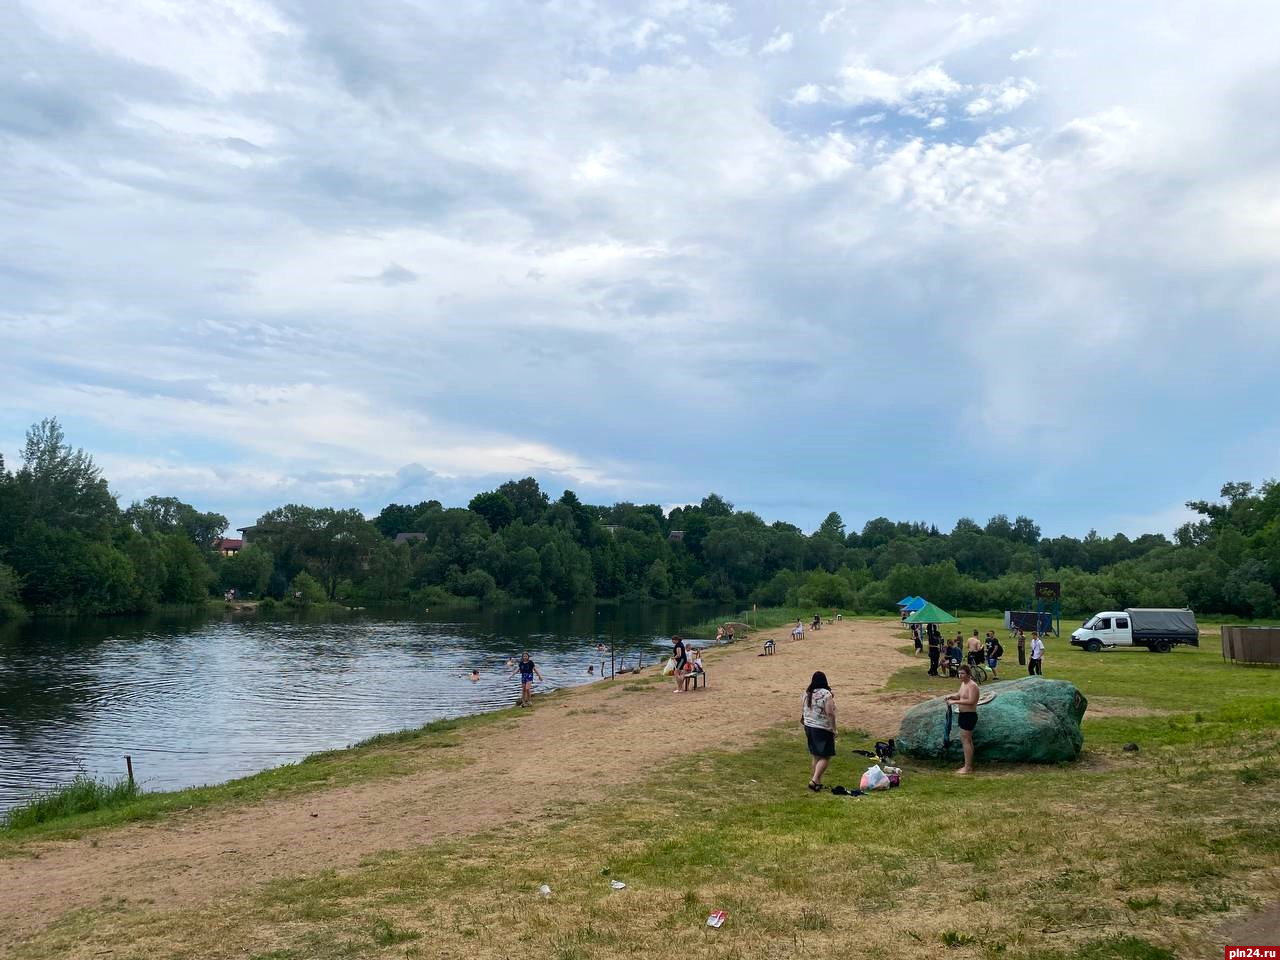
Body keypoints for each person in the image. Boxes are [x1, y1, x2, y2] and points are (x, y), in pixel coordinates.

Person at [801, 671, 836, 791]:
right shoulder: (826, 694)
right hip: (822, 728)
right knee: (826, 756)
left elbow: (804, 709)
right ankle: (814, 779)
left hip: (809, 727)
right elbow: (830, 713)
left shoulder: (807, 693)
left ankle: (817, 782)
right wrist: (834, 729)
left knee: (816, 755)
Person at [945, 664, 980, 775]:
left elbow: (971, 701)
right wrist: (951, 696)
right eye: (959, 673)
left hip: (969, 715)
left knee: (966, 741)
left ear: (968, 674)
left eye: (962, 673)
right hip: (963, 715)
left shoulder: (972, 685)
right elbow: (959, 695)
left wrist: (955, 702)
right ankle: (968, 765)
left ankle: (968, 767)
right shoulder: (963, 684)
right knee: (967, 740)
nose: (960, 675)